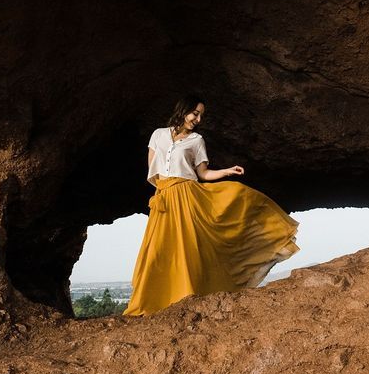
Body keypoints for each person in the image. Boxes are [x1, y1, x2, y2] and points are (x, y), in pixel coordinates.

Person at [123, 94, 299, 317]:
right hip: (164, 199)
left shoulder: (196, 140)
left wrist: (226, 171)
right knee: (159, 251)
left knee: (188, 250)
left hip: (187, 196)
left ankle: (187, 297)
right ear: (183, 110)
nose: (197, 119)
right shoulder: (158, 135)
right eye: (195, 113)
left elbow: (203, 173)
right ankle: (153, 301)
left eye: (201, 116)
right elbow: (153, 167)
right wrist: (161, 190)